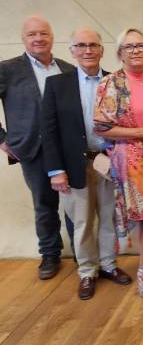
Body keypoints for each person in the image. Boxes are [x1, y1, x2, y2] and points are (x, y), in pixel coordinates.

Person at [41, 28, 132, 300]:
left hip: (107, 163)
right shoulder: (58, 85)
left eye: (93, 45)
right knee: (82, 222)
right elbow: (50, 130)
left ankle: (108, 265)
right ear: (72, 51)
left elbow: (125, 122)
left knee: (108, 217)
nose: (88, 50)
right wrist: (56, 170)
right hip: (73, 165)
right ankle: (87, 272)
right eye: (81, 45)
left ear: (102, 50)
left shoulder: (116, 81)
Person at [94, 28, 143, 303]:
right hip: (134, 159)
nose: (136, 50)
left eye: (140, 45)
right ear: (120, 53)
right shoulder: (112, 83)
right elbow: (102, 128)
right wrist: (142, 132)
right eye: (129, 47)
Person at [0, 15, 75, 280]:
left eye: (43, 33)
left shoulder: (67, 69)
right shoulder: (7, 69)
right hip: (33, 148)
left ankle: (81, 253)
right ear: (24, 39)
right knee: (44, 204)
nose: (38, 38)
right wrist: (2, 139)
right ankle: (50, 254)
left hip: (68, 148)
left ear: (52, 37)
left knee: (74, 202)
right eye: (32, 34)